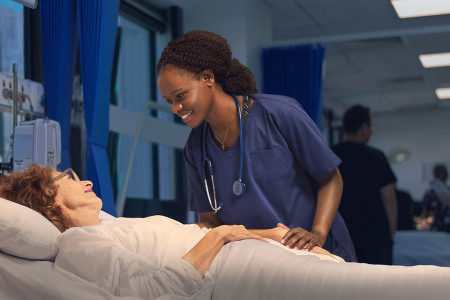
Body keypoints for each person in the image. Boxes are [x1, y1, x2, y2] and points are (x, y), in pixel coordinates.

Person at [2, 165, 450, 300]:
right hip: (234, 272)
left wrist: (262, 235)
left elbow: (184, 239)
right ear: (50, 200)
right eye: (68, 177)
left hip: (246, 258)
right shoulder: (80, 244)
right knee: (389, 288)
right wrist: (225, 236)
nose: (85, 179)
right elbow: (162, 289)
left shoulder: (107, 226)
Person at [157, 30, 356, 262]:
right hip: (259, 263)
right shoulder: (195, 148)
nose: (175, 108)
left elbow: (331, 178)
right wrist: (169, 235)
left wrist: (318, 234)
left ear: (208, 78)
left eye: (180, 96)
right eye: (169, 101)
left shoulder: (280, 114)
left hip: (317, 252)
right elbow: (211, 222)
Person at [331, 105, 397, 265]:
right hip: (375, 239)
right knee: (379, 287)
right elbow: (389, 197)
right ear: (364, 128)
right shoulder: (376, 157)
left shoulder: (329, 155)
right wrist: (391, 235)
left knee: (342, 287)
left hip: (339, 237)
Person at [419, 164, 450, 232]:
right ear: (446, 176)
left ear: (434, 175)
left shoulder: (430, 193)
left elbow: (424, 214)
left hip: (437, 230)